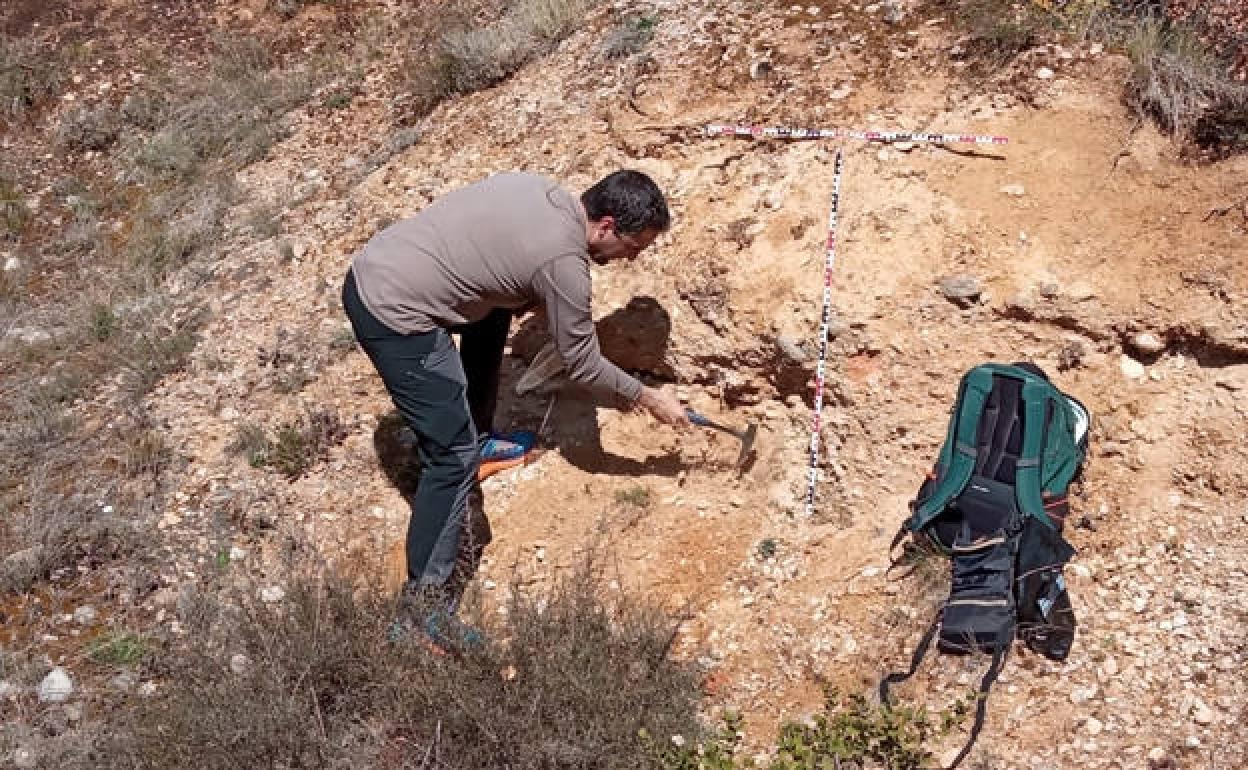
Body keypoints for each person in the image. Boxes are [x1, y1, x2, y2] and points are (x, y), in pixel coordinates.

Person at [341, 170, 689, 650]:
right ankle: (419, 613)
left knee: (497, 309)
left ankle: (480, 437)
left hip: (385, 263)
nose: (632, 258)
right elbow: (582, 364)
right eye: (633, 246)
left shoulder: (543, 194)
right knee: (451, 457)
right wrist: (649, 397)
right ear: (606, 225)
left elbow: (498, 260)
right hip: (392, 312)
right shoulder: (562, 262)